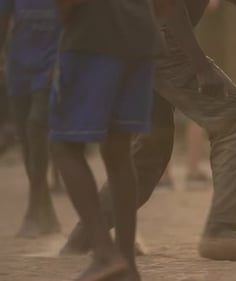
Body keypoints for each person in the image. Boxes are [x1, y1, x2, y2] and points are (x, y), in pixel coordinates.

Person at [60, 0, 236, 261]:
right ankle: (221, 228)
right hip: (162, 38)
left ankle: (84, 238)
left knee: (151, 150)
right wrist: (201, 68)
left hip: (136, 40)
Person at [50, 0, 162, 280]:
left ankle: (104, 253)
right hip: (141, 37)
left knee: (64, 145)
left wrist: (66, 31)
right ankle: (127, 265)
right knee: (118, 151)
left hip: (92, 36)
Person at [0, 0, 61, 238]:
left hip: (51, 65)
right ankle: (44, 212)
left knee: (37, 125)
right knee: (25, 136)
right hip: (18, 68)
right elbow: (3, 25)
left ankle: (34, 208)